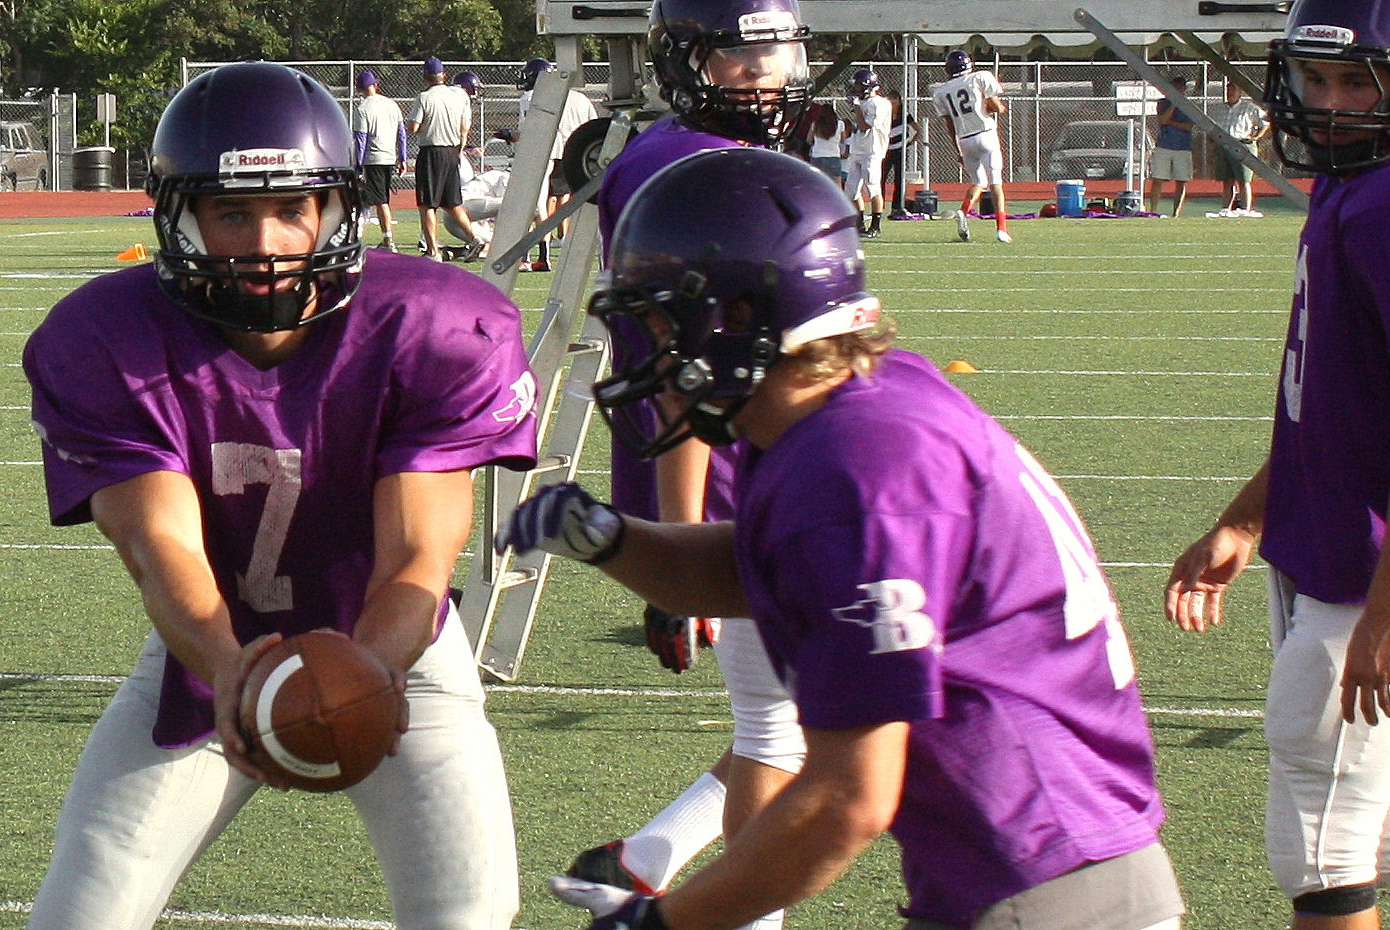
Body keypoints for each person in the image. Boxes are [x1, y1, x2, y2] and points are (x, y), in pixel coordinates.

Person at [501, 145, 1184, 930]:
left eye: (662, 320)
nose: (649, 348)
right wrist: (614, 541)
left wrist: (666, 924)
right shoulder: (846, 402)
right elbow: (759, 567)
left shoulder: (857, 465)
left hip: (1042, 876)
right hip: (1035, 860)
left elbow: (848, 798)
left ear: (741, 317)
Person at [20, 61, 535, 930]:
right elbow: (162, 550)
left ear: (336, 209)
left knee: (468, 919)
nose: (265, 241)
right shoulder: (104, 339)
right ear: (181, 216)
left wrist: (363, 674)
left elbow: (418, 559)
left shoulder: (435, 326)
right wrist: (233, 674)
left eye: (291, 208)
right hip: (204, 655)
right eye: (232, 212)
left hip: (403, 655)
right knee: (80, 919)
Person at [1165, 1, 1390, 927]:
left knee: (1320, 849)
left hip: (1382, 573)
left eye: (1358, 81)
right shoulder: (1351, 188)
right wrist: (1248, 518)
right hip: (1351, 557)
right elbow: (1328, 412)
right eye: (1315, 79)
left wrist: (1389, 608)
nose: (1329, 105)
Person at [575, 4, 814, 930]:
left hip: (746, 465)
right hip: (727, 475)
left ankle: (638, 861)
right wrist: (677, 561)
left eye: (777, 49)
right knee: (783, 735)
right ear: (687, 59)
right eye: (741, 50)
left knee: (783, 730)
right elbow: (683, 377)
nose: (765, 70)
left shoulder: (692, 152)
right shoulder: (680, 168)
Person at [516, 57, 601, 258]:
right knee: (564, 195)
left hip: (547, 151)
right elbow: (593, 124)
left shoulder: (531, 97)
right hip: (575, 151)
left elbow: (526, 130)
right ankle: (562, 234)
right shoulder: (580, 99)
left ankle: (548, 238)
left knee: (544, 199)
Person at [407, 57, 482, 263]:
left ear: (425, 77)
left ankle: (433, 251)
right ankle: (474, 238)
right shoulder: (458, 96)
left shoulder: (424, 97)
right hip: (452, 151)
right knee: (451, 202)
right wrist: (459, 146)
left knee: (427, 204)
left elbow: (413, 127)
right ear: (444, 75)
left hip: (432, 152)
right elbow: (464, 126)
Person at [932, 50, 1011, 243]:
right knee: (996, 184)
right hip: (985, 134)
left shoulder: (941, 91)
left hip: (965, 140)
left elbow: (949, 124)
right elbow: (994, 106)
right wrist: (1000, 107)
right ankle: (1001, 229)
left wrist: (956, 149)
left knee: (979, 182)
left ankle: (964, 211)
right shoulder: (980, 77)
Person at [352, 69, 408, 252]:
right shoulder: (392, 105)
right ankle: (383, 238)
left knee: (374, 200)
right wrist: (402, 158)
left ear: (358, 88)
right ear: (376, 85)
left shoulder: (363, 109)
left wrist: (357, 165)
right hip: (389, 158)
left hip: (373, 159)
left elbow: (361, 139)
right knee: (378, 199)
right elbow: (402, 133)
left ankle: (382, 239)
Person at [842, 68, 890, 239]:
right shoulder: (864, 102)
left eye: (857, 85)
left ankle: (876, 226)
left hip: (872, 150)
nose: (855, 89)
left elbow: (864, 126)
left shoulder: (879, 103)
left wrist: (856, 107)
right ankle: (859, 224)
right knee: (851, 190)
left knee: (872, 187)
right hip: (858, 149)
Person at [1213, 80, 1269, 217]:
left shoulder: (1249, 107)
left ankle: (1246, 209)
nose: (1230, 93)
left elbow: (1266, 122)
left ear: (1240, 92)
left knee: (1244, 180)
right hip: (1223, 145)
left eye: (1233, 90)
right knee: (1227, 181)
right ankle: (1225, 209)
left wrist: (1256, 137)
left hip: (1242, 145)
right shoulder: (1219, 108)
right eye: (1228, 90)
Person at [1146, 76, 1196, 218]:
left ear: (1184, 89)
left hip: (1183, 147)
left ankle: (1176, 213)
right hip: (1164, 145)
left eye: (1179, 87)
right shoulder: (1163, 103)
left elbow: (1188, 126)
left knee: (1181, 180)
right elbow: (1162, 120)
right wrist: (1174, 104)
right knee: (1158, 179)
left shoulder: (1189, 106)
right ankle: (1154, 210)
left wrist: (1172, 123)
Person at [882, 91, 920, 219]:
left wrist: (910, 142)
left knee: (899, 180)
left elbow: (918, 129)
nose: (892, 102)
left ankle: (896, 208)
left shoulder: (905, 115)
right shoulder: (884, 114)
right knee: (880, 179)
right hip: (885, 150)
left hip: (899, 150)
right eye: (890, 99)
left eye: (894, 99)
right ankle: (879, 208)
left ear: (899, 101)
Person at [806, 104, 842, 186]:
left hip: (817, 156)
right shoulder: (840, 124)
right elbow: (843, 139)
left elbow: (808, 140)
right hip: (833, 156)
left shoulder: (815, 124)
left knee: (817, 184)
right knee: (837, 187)